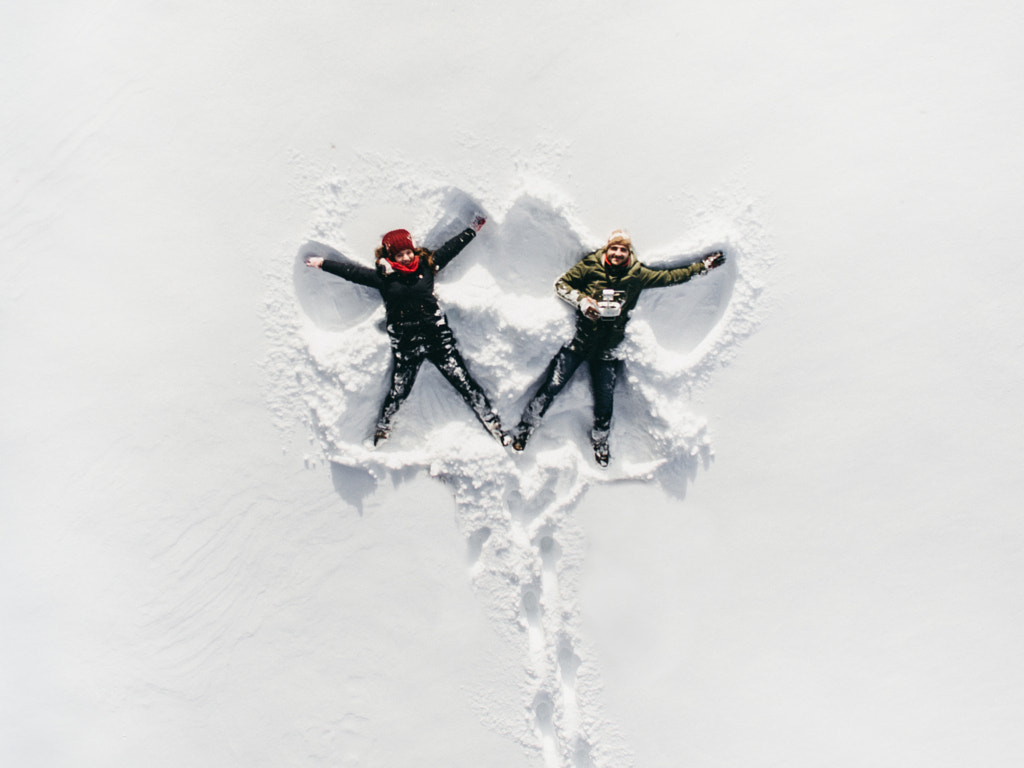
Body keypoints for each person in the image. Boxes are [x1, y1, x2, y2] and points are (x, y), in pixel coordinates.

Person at [511, 229, 726, 467]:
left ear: (629, 253)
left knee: (605, 401)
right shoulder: (591, 266)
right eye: (614, 248)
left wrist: (702, 267)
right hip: (579, 344)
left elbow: (670, 276)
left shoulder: (636, 275)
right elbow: (562, 285)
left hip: (608, 351)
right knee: (552, 385)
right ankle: (526, 427)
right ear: (606, 249)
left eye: (623, 249)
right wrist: (583, 302)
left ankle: (600, 440)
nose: (617, 253)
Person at [305, 216, 510, 446]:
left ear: (413, 250)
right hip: (407, 344)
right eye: (400, 254)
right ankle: (383, 430)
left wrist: (472, 229)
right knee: (399, 391)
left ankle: (493, 424)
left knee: (465, 384)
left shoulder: (427, 267)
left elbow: (451, 249)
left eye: (408, 252)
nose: (406, 257)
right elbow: (352, 273)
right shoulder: (384, 279)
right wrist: (323, 263)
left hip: (437, 339)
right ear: (391, 257)